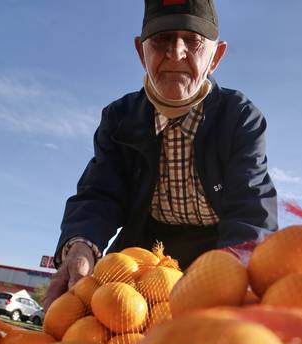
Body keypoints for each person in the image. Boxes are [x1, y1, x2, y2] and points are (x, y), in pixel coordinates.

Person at [44, 0, 277, 310]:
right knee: (106, 318)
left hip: (218, 249)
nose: (176, 53)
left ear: (216, 56)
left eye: (192, 41)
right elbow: (99, 193)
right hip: (142, 249)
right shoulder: (119, 118)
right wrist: (82, 243)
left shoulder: (239, 118)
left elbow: (251, 210)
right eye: (162, 39)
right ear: (142, 52)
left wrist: (228, 277)